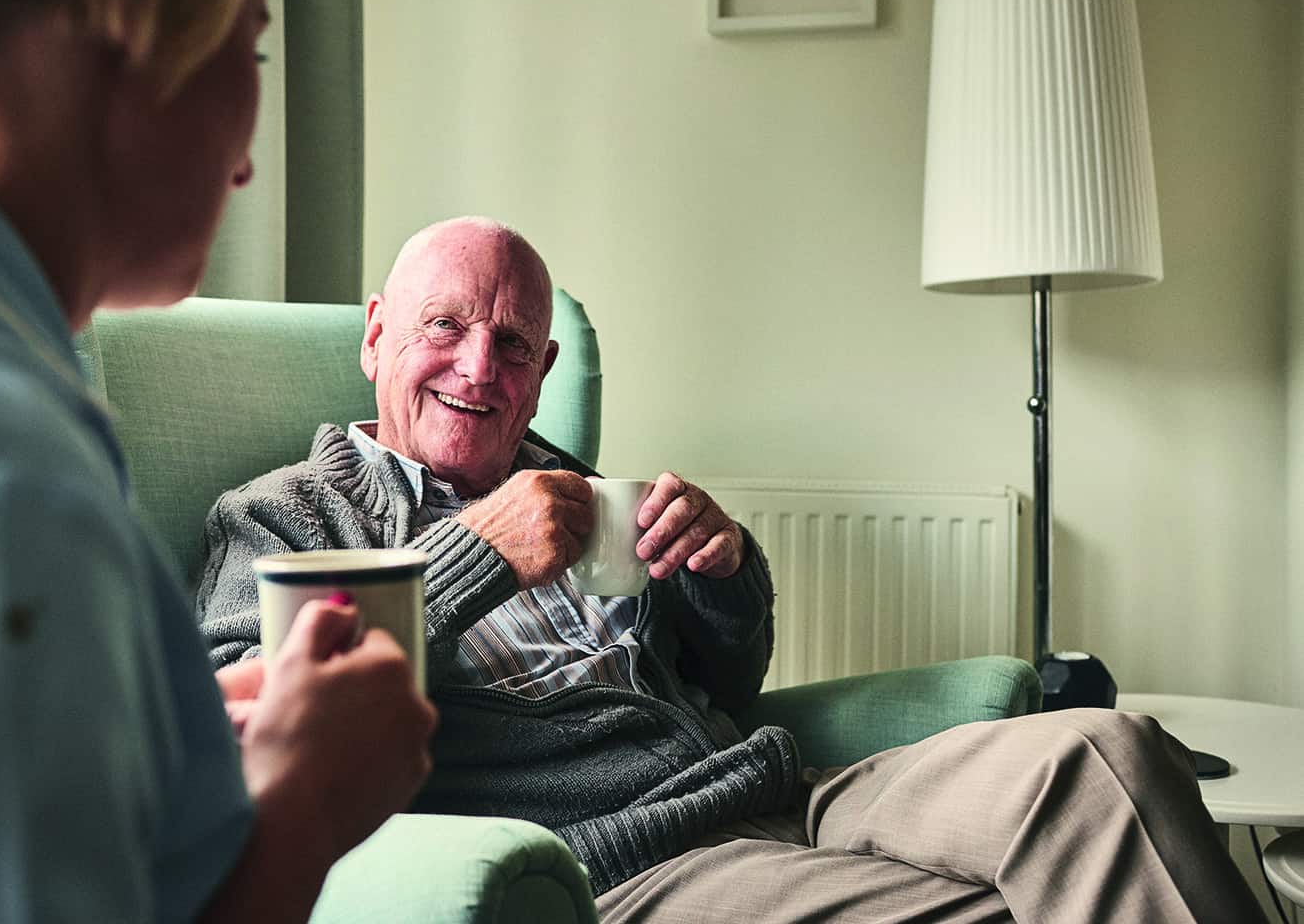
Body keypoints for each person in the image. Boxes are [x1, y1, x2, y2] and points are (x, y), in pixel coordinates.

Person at [197, 215, 1266, 923]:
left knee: (1107, 756)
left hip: (779, 782)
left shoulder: (579, 491)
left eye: (515, 344)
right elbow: (251, 726)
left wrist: (720, 573)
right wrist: (480, 550)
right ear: (376, 335)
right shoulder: (283, 514)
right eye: (445, 326)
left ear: (542, 375)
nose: (481, 366)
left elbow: (726, 681)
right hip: (629, 861)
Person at [0, 0, 435, 921]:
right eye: (253, 50)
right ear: (124, 26)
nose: (248, 162)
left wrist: (142, 736)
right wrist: (306, 805)